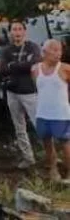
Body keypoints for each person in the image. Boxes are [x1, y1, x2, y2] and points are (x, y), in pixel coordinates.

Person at [0, 20, 42, 169]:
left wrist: (13, 65)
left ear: (24, 31)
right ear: (10, 32)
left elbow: (35, 63)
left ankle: (51, 155)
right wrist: (23, 65)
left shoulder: (33, 47)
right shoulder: (7, 51)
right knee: (19, 127)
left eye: (19, 29)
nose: (17, 32)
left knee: (40, 125)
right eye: (14, 29)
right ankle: (28, 157)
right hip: (13, 92)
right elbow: (3, 69)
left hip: (30, 92)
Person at [32, 39, 70, 182]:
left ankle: (69, 173)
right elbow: (38, 88)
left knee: (65, 143)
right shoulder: (35, 69)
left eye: (59, 50)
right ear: (44, 52)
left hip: (60, 114)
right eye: (54, 50)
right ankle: (53, 170)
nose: (57, 53)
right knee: (47, 143)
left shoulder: (64, 68)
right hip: (42, 113)